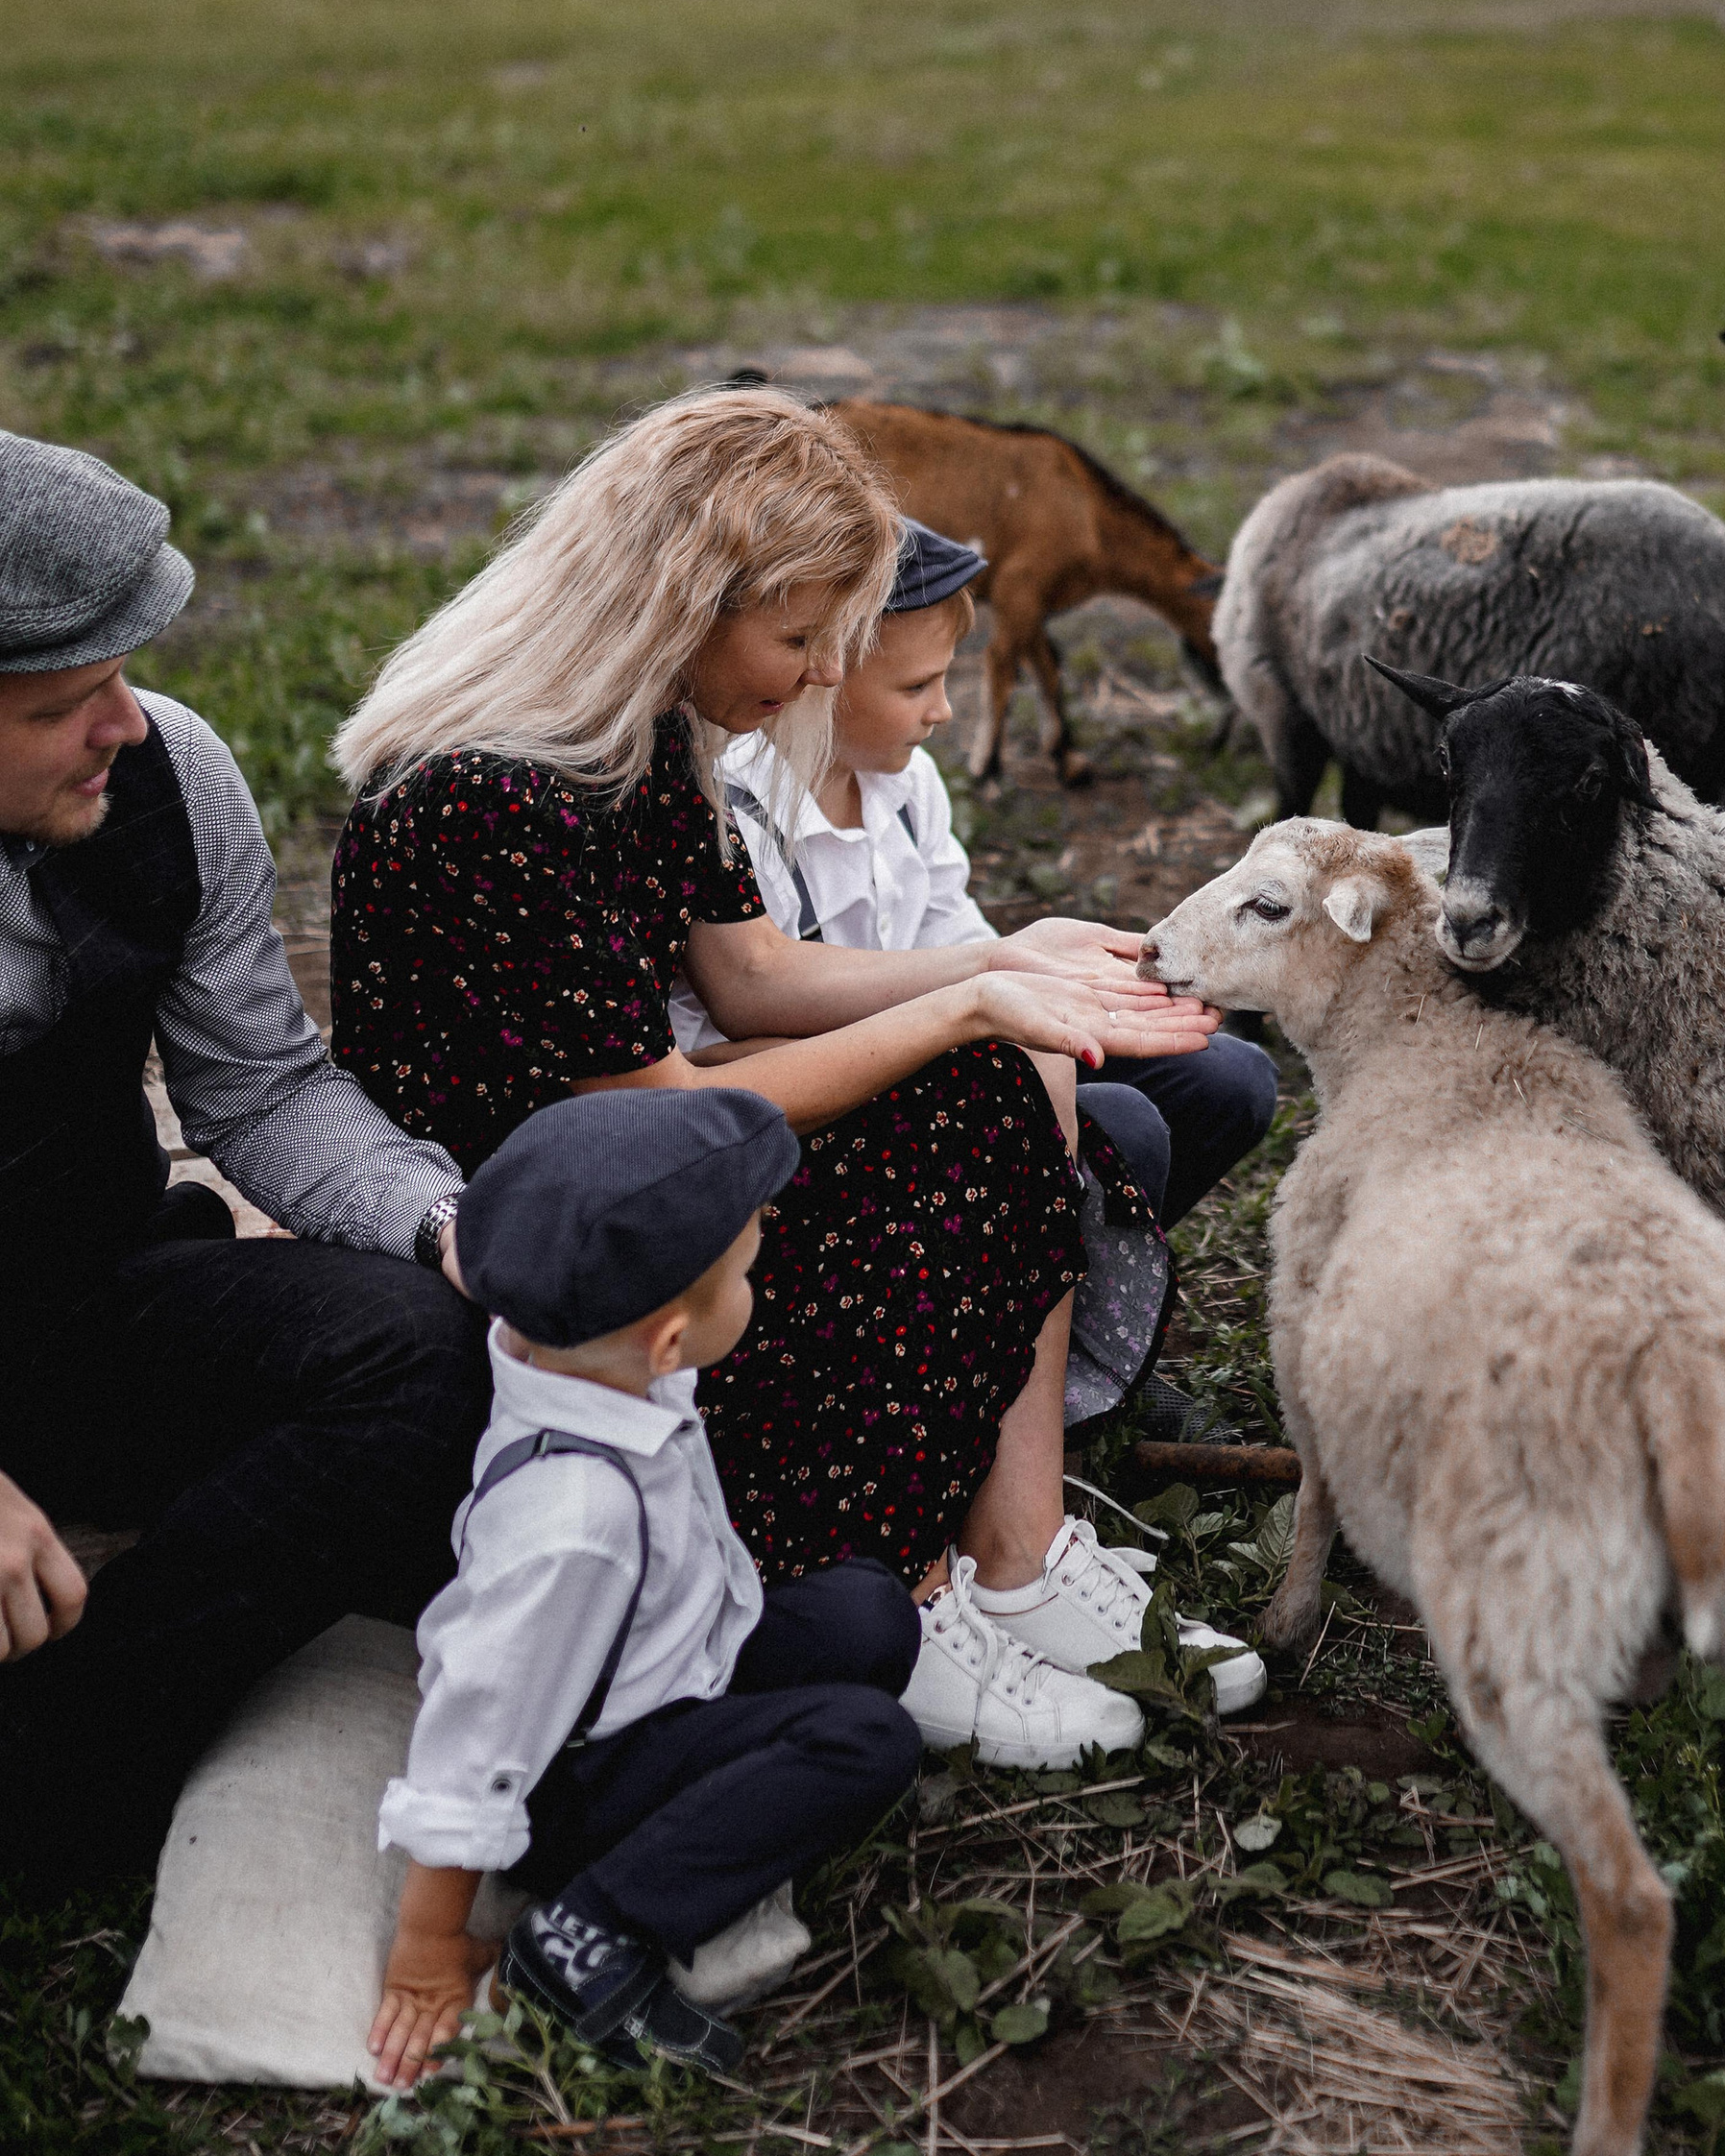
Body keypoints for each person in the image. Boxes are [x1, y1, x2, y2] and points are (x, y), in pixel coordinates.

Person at [328, 387, 1262, 1775]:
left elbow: (754, 977)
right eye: (800, 637)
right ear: (682, 604)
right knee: (970, 1095)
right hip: (530, 1209)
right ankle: (898, 1571)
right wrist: (962, 1008)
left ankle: (1010, 1550)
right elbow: (644, 1117)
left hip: (633, 1130)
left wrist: (997, 965)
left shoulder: (646, 735)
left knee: (1011, 1073)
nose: (826, 675)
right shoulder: (495, 792)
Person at [0, 430, 488, 1891]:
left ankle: (54, 1778)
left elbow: (263, 1092)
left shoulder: (171, 777)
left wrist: (443, 1218)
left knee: (424, 1357)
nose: (129, 727)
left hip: (80, 1294)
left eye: (126, 678)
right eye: (69, 702)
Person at [370, 1091, 926, 2092]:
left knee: (867, 1613)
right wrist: (425, 1944)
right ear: (669, 1342)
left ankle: (721, 1795)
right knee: (869, 1739)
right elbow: (481, 1724)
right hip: (583, 1775)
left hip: (670, 1666)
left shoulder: (580, 1355)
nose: (762, 1265)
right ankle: (589, 1931)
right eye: (750, 1269)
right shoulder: (573, 1520)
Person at [665, 512, 1279, 1270]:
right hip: (805, 1102)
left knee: (1231, 1077)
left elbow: (953, 939)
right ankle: (1018, 1334)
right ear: (819, 676)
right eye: (918, 684)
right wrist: (986, 989)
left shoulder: (907, 783)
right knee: (1123, 1125)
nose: (944, 711)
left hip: (941, 1039)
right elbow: (729, 1038)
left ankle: (1088, 1312)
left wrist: (1063, 984)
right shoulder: (728, 811)